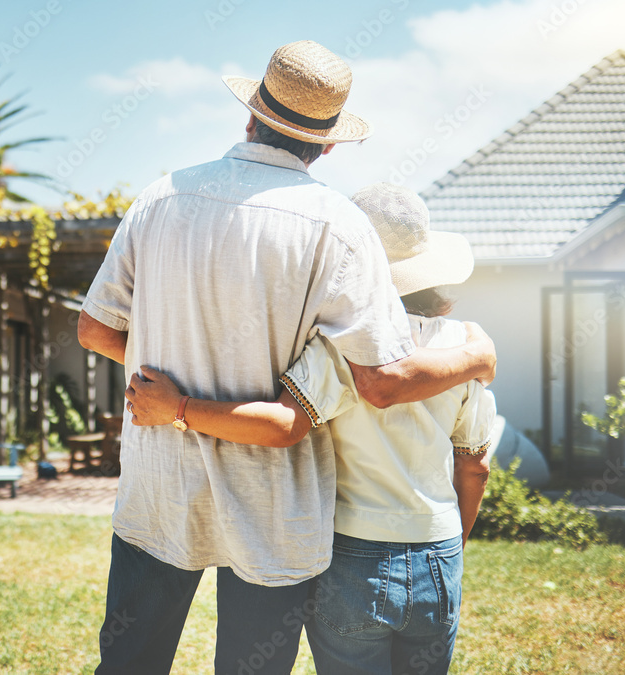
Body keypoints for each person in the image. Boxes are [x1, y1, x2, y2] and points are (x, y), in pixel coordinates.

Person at [78, 41, 496, 675]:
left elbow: (94, 329)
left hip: (159, 486)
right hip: (272, 505)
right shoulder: (337, 225)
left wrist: (166, 392)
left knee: (130, 663)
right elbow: (380, 383)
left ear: (250, 114)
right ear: (328, 144)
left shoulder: (160, 197)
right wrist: (476, 356)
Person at [125, 182, 496, 675]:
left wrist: (179, 407)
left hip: (356, 554)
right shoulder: (464, 348)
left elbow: (283, 424)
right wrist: (452, 541)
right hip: (440, 554)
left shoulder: (341, 349)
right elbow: (475, 466)